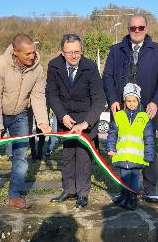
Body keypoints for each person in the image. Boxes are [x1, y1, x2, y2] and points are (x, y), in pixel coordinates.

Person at [0, 34, 51, 212]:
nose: (32, 56)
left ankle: (15, 196)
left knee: (20, 157)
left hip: (20, 115)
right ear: (15, 52)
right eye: (27, 54)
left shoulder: (37, 69)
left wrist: (42, 121)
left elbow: (37, 95)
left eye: (33, 52)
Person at [103, 14, 158, 202]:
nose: (137, 31)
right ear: (128, 29)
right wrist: (113, 99)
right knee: (123, 149)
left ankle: (149, 189)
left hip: (147, 110)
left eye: (141, 27)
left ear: (146, 28)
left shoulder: (157, 50)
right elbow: (107, 77)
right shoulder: (116, 50)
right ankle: (126, 190)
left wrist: (156, 101)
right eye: (133, 28)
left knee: (148, 148)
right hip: (122, 111)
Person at [46, 34, 105, 208]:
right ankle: (69, 189)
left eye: (77, 52)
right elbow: (52, 94)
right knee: (67, 154)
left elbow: (99, 98)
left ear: (81, 51)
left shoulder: (90, 67)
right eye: (69, 52)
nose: (73, 56)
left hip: (86, 118)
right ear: (62, 52)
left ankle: (82, 193)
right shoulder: (54, 66)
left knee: (83, 156)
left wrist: (86, 123)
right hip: (65, 117)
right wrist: (62, 115)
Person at [107, 83, 155, 210]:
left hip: (137, 157)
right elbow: (112, 133)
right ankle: (124, 195)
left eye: (134, 101)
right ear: (124, 101)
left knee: (134, 178)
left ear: (138, 101)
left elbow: (149, 138)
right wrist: (111, 148)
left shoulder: (144, 117)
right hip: (122, 155)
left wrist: (149, 155)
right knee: (123, 177)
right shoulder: (119, 116)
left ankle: (132, 198)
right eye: (128, 101)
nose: (131, 103)